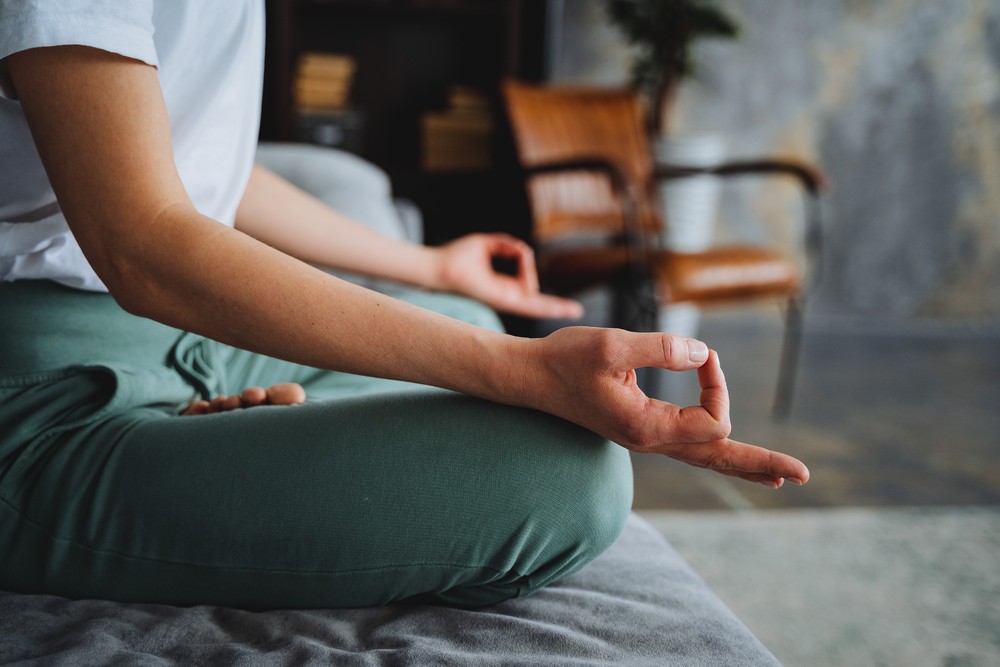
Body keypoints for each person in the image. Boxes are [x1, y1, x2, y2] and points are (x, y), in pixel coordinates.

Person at [0, 1, 808, 610]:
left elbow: (202, 171)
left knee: (465, 318)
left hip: (180, 334)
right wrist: (525, 369)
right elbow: (145, 243)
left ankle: (217, 435)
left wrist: (435, 265)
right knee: (568, 478)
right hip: (48, 385)